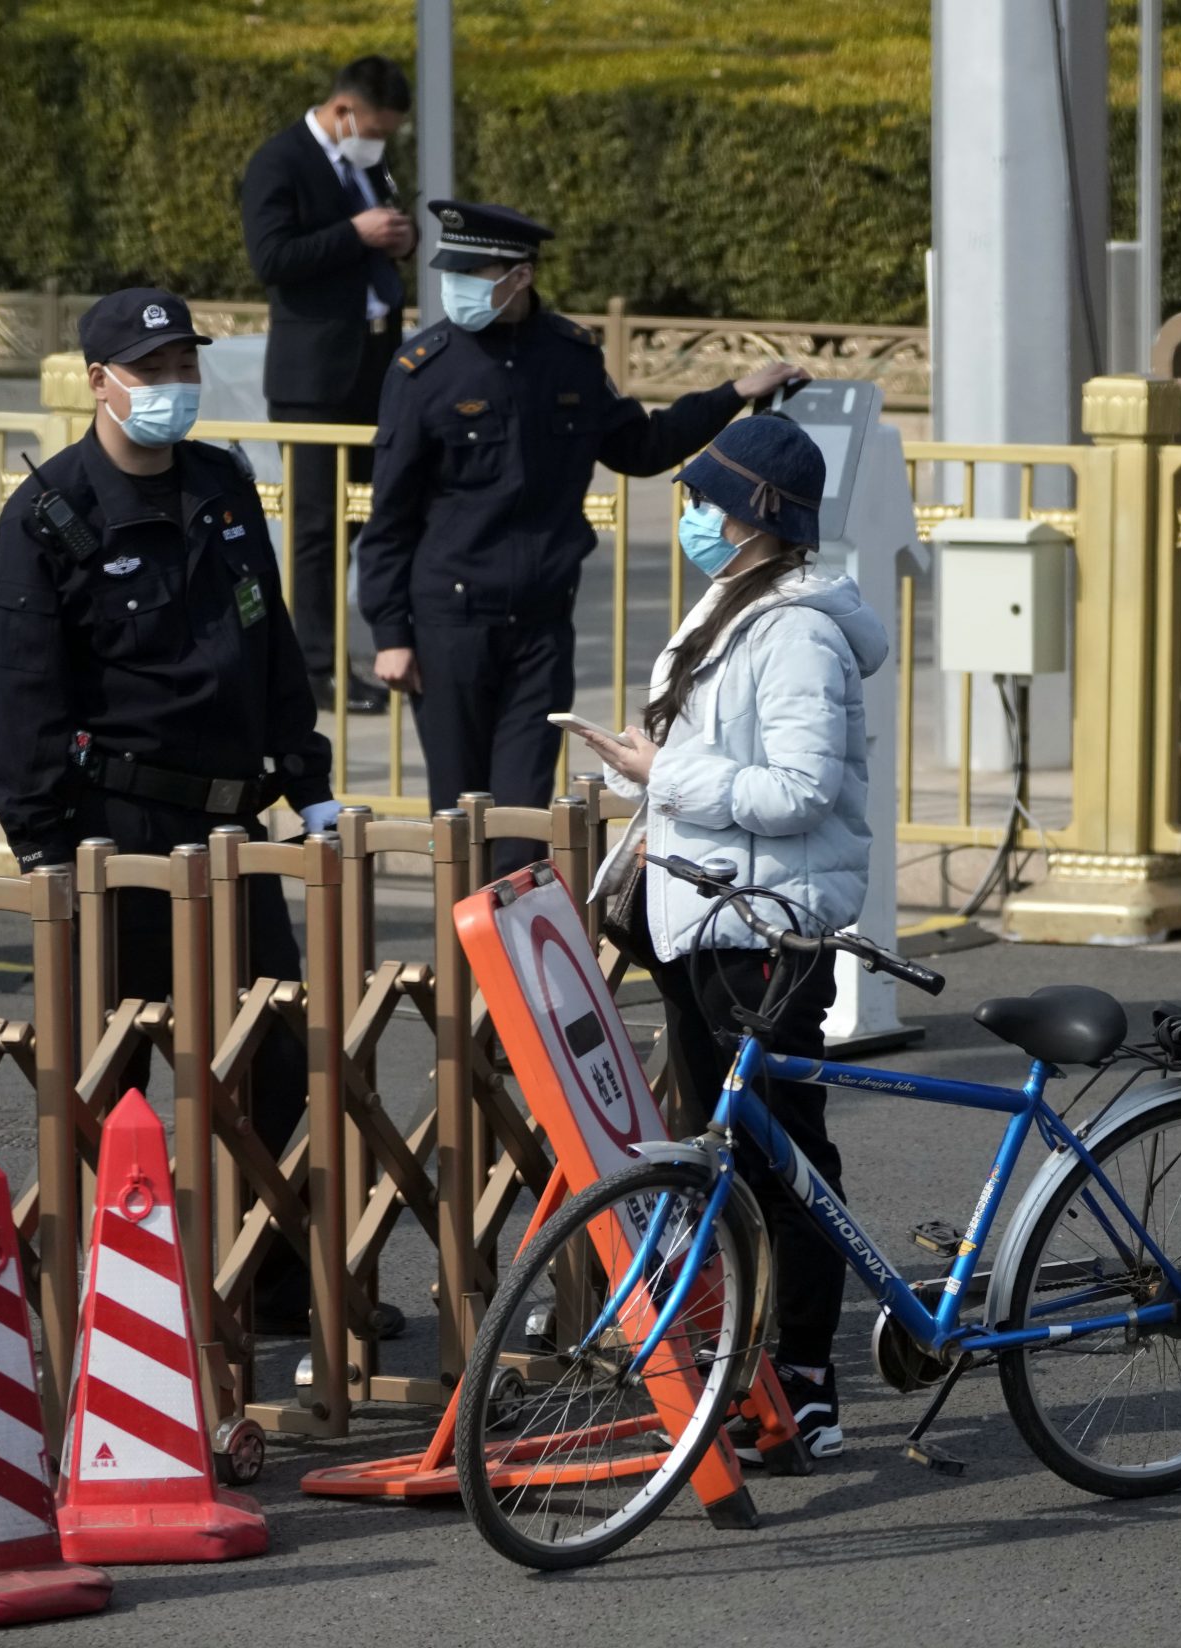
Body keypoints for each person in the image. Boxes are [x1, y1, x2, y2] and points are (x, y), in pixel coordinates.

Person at [0, 287, 383, 1337]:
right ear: (100, 382)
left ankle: (281, 1285)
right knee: (114, 1079)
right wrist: (45, 847)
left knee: (277, 1061)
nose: (171, 389)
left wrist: (312, 781)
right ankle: (110, 1302)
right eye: (150, 372)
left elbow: (269, 645)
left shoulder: (220, 485)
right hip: (114, 837)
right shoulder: (50, 513)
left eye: (182, 369)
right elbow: (21, 696)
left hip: (231, 832)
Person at [573, 414, 886, 1461]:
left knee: (781, 1153)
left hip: (765, 924)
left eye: (706, 500)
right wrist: (640, 764)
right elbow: (712, 764)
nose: (690, 516)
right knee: (724, 1146)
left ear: (755, 516)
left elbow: (797, 791)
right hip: (705, 915)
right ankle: (746, 1371)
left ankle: (804, 1374)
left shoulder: (794, 628)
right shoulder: (733, 603)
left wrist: (662, 773)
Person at [361, 198, 806, 873]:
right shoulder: (424, 368)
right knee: (459, 815)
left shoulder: (567, 355)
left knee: (522, 816)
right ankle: (464, 969)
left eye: (475, 272)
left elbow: (640, 445)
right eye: (453, 272)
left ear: (520, 275)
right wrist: (390, 632)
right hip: (449, 621)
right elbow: (389, 513)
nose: (457, 287)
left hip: (541, 621)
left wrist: (732, 393)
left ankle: (508, 973)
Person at [240, 54, 415, 716]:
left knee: (359, 519)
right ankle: (315, 669)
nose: (380, 142)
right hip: (313, 374)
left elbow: (387, 222)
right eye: (375, 127)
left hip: (374, 366)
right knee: (317, 526)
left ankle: (345, 653)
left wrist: (399, 235)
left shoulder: (367, 163)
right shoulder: (280, 161)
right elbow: (273, 258)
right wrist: (353, 233)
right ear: (344, 112)